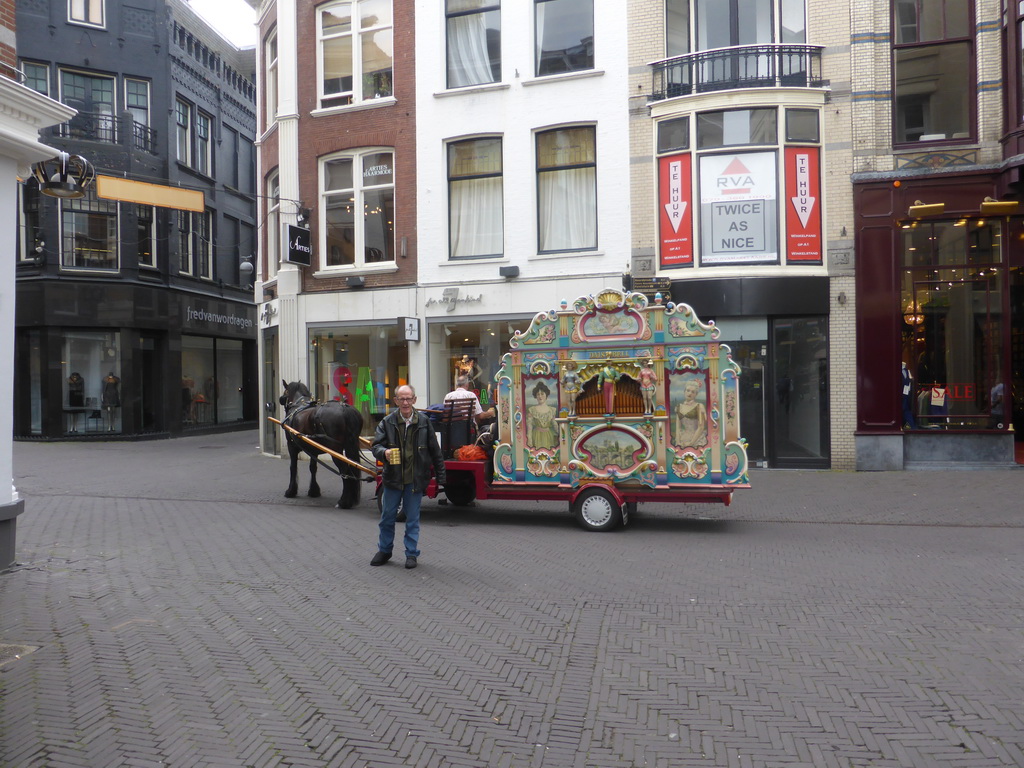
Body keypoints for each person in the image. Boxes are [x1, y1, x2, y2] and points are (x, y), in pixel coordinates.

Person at [370, 385, 446, 569]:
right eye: (401, 399)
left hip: (415, 479)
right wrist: (384, 452)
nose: (405, 402)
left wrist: (442, 476)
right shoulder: (387, 422)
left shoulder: (424, 422)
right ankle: (385, 551)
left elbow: (435, 451)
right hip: (393, 479)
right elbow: (375, 446)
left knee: (412, 520)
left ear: (414, 400)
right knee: (387, 518)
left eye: (408, 398)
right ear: (395, 400)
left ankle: (411, 554)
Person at [674, 378, 707, 448]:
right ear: (684, 391)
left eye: (693, 392)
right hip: (683, 437)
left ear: (696, 394)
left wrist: (691, 443)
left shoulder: (699, 406)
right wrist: (678, 441)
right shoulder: (679, 407)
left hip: (696, 439)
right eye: (688, 390)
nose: (690, 393)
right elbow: (678, 427)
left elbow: (701, 427)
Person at [527, 381, 558, 449]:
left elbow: (554, 424)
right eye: (538, 394)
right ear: (536, 396)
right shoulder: (532, 410)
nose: (540, 396)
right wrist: (529, 441)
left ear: (546, 395)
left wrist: (561, 435)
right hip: (536, 436)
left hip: (549, 436)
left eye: (542, 394)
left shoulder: (552, 410)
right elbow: (529, 427)